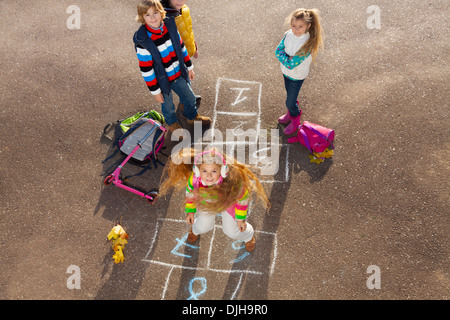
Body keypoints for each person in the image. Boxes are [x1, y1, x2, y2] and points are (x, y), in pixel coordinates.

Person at [159, 148, 270, 252]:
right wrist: (190, 211)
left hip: (227, 203)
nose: (209, 176)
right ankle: (195, 230)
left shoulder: (231, 182)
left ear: (222, 171)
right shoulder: (195, 180)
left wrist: (240, 219)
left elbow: (243, 199)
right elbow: (190, 194)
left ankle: (248, 235)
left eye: (214, 171)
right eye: (204, 171)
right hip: (206, 203)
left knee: (231, 231)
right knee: (203, 226)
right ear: (197, 171)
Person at [133, 0, 210, 135]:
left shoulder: (170, 26)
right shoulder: (143, 42)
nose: (153, 18)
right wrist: (155, 92)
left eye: (155, 13)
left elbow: (181, 48)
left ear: (162, 12)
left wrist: (189, 67)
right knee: (168, 107)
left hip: (177, 73)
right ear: (142, 18)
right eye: (148, 15)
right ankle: (173, 125)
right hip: (162, 81)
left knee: (190, 98)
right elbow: (147, 71)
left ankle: (191, 117)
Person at [275, 8, 324, 136]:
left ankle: (295, 121)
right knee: (290, 97)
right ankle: (290, 112)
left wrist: (284, 56)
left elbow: (292, 64)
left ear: (308, 26)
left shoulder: (307, 43)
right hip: (285, 72)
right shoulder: (289, 34)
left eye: (300, 26)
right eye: (294, 26)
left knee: (290, 101)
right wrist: (287, 57)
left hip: (296, 77)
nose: (296, 29)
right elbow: (277, 51)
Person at [160, 0, 201, 117]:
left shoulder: (184, 9)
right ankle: (187, 101)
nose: (180, 1)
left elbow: (188, 30)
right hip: (176, 59)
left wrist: (194, 46)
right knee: (183, 81)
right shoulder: (165, 17)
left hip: (186, 52)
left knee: (187, 80)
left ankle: (186, 100)